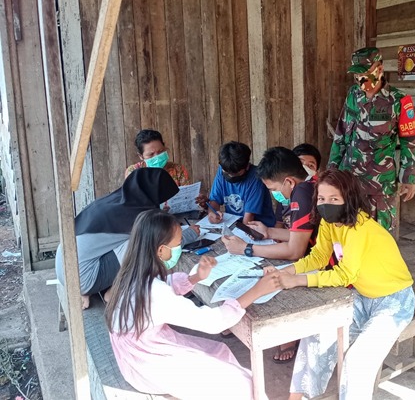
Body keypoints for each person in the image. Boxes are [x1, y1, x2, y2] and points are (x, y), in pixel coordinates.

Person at [269, 169, 415, 400]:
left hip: (394, 302)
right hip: (363, 296)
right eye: (321, 198)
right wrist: (287, 271)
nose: (326, 204)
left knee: (357, 361)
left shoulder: (360, 227)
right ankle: (296, 398)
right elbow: (318, 257)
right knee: (316, 333)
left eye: (334, 199)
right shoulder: (330, 222)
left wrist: (298, 280)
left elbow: (345, 275)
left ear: (349, 198)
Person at [105, 209, 279, 399]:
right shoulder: (154, 292)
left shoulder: (132, 273)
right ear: (161, 250)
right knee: (242, 384)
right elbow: (212, 322)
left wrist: (196, 277)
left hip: (141, 349)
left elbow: (167, 286)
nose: (180, 247)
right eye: (178, 244)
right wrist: (257, 290)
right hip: (146, 362)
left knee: (219, 351)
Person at [222, 146, 319, 363]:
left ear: (289, 182)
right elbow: (301, 235)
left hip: (327, 262)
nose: (275, 194)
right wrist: (269, 232)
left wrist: (246, 249)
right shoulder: (309, 185)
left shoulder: (301, 194)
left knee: (269, 277)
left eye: (273, 188)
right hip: (319, 252)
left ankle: (288, 334)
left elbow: (295, 250)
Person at [55, 168, 199, 309]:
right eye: (163, 198)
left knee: (133, 239)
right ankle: (116, 292)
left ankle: (94, 288)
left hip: (64, 266)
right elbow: (160, 242)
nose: (164, 201)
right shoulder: (138, 216)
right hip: (83, 277)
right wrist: (189, 234)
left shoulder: (118, 203)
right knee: (144, 244)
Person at [328, 47, 415, 231]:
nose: (361, 77)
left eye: (365, 72)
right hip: (349, 180)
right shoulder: (353, 95)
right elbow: (341, 134)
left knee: (379, 235)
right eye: (357, 73)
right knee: (348, 231)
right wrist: (331, 170)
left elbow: (410, 141)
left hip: (379, 185)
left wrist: (409, 178)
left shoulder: (399, 100)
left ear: (380, 68)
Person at [207, 141, 276, 227]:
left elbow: (248, 220)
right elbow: (214, 200)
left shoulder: (256, 177)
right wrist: (212, 213)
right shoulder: (223, 168)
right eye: (227, 173)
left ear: (247, 166)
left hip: (258, 226)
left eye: (236, 173)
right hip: (235, 223)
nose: (230, 176)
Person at [125, 129, 190, 186]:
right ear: (141, 156)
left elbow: (187, 193)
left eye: (161, 151)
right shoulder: (133, 172)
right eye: (151, 154)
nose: (157, 157)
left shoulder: (178, 170)